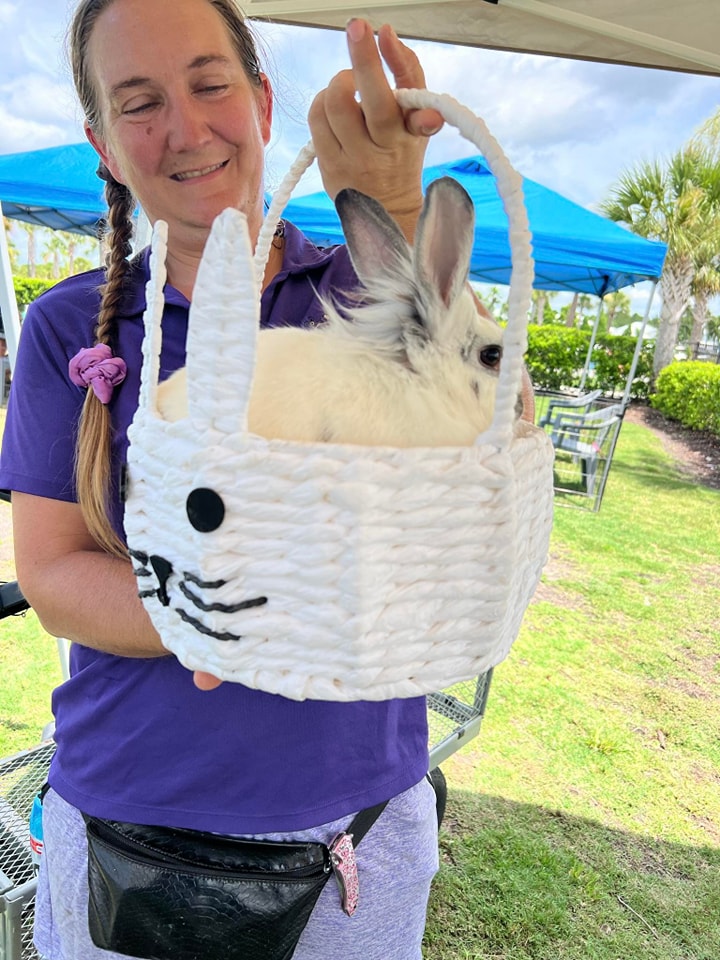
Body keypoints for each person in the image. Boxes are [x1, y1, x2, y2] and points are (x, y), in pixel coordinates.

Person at [0, 2, 453, 958]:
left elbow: (497, 438)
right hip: (126, 831)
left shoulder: (361, 295)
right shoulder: (67, 329)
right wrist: (227, 618)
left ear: (261, 99)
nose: (188, 127)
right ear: (103, 145)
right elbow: (53, 577)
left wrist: (401, 221)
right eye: (140, 102)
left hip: (351, 831)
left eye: (211, 84)